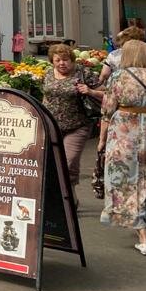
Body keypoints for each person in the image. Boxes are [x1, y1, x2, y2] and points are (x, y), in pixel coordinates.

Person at [98, 40, 146, 256]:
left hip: (124, 129)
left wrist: (102, 140)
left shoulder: (118, 77)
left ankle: (141, 232)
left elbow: (107, 110)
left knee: (125, 178)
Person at [42, 44, 100, 203]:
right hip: (51, 126)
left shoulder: (84, 73)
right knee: (51, 163)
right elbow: (45, 96)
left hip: (77, 125)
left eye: (65, 60)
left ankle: (67, 198)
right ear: (52, 61)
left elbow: (106, 93)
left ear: (72, 60)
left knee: (68, 162)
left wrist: (90, 91)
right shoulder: (48, 74)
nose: (62, 63)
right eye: (57, 60)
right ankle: (64, 198)